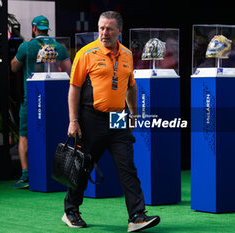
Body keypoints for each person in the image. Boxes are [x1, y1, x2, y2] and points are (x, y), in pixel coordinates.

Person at [64, 11, 160, 232]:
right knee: (83, 167)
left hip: (118, 117)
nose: (104, 32)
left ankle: (136, 216)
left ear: (119, 31)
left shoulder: (126, 54)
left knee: (127, 167)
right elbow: (74, 88)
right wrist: (73, 120)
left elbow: (131, 86)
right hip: (91, 117)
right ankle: (71, 210)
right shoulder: (86, 53)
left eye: (109, 28)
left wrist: (134, 114)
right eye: (101, 28)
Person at [10, 15, 71, 189]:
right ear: (47, 29)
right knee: (54, 133)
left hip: (31, 99)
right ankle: (55, 172)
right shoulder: (59, 47)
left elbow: (13, 67)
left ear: (34, 28)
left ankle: (26, 175)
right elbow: (68, 71)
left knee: (24, 136)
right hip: (55, 99)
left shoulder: (26, 46)